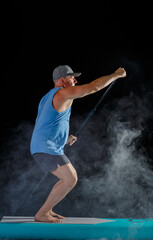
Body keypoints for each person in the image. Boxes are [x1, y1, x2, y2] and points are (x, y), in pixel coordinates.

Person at [30, 65, 126, 223]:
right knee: (71, 178)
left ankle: (47, 209)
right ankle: (42, 214)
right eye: (71, 77)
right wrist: (116, 75)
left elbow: (47, 123)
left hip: (43, 147)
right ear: (62, 80)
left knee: (65, 179)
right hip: (46, 148)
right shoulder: (61, 93)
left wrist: (64, 139)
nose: (75, 80)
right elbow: (93, 87)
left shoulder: (47, 97)